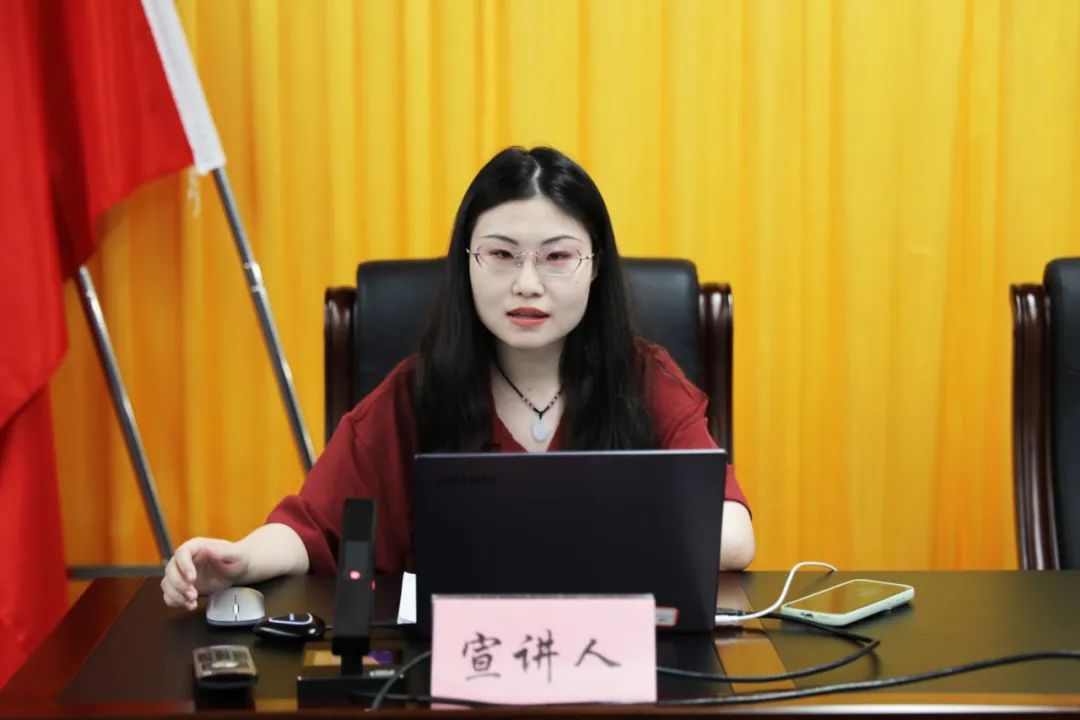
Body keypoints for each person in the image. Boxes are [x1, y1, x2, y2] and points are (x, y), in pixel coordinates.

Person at [161, 146, 755, 611]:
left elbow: (732, 533)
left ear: (596, 267)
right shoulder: (416, 393)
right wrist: (237, 560)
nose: (527, 283)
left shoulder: (643, 379)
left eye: (557, 257)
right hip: (451, 671)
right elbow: (313, 528)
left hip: (612, 668)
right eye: (501, 255)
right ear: (466, 262)